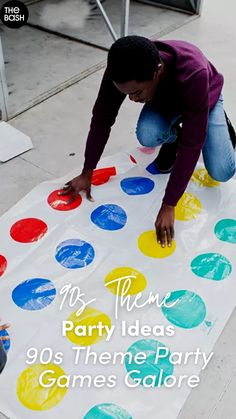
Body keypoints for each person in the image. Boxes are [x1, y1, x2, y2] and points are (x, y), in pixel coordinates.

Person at [61, 36, 236, 247]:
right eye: (126, 93)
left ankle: (219, 122)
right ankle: (173, 138)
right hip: (165, 100)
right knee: (147, 134)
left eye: (136, 92)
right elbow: (101, 119)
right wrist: (87, 171)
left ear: (158, 71)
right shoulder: (120, 67)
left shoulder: (194, 74)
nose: (132, 100)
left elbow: (192, 145)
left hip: (204, 100)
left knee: (221, 171)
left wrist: (169, 204)